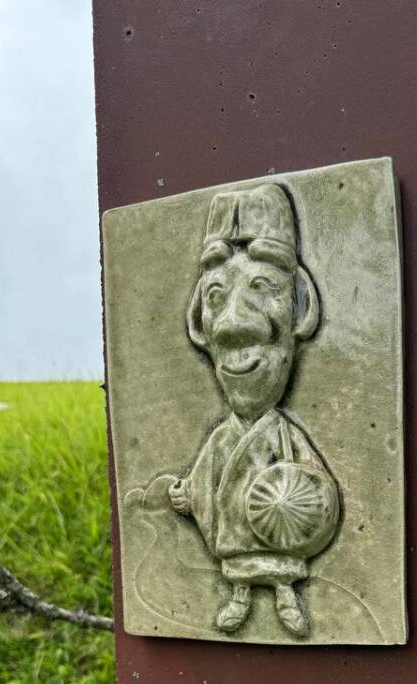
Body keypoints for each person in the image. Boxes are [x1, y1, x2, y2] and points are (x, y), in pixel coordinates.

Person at [168, 182, 339, 637]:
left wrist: (301, 503)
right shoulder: (224, 436)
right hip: (237, 541)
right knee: (240, 575)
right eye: (216, 297)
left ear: (301, 305)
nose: (232, 323)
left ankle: (286, 596)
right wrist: (190, 494)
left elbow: (314, 484)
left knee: (281, 572)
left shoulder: (284, 432)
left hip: (279, 537)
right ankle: (242, 598)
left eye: (262, 286)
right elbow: (207, 476)